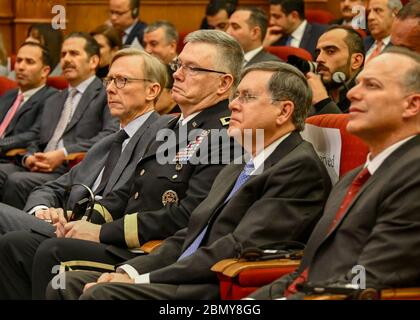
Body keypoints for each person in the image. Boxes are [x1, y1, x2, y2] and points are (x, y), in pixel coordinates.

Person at [45, 60, 332, 300]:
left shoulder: (297, 168)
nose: (233, 104)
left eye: (246, 97)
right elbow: (192, 232)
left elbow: (237, 248)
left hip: (214, 287)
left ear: (284, 111)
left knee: (100, 294)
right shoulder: (241, 162)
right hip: (183, 273)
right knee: (69, 284)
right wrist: (130, 272)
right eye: (236, 96)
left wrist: (143, 279)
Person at [0, 30, 241, 299]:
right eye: (178, 65)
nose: (177, 74)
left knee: (52, 251)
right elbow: (129, 191)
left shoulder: (223, 135)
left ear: (223, 84)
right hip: (128, 238)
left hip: (151, 249)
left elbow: (189, 214)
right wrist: (82, 221)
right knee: (15, 245)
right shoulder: (173, 126)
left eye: (192, 68)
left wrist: (103, 232)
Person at [248, 47, 420, 300]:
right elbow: (307, 273)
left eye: (371, 85)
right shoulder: (351, 179)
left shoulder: (413, 174)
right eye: (357, 82)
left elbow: (365, 280)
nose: (352, 93)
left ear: (412, 104)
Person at [0, 32, 118, 209]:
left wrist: (62, 154)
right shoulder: (55, 98)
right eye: (63, 54)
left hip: (71, 169)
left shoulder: (106, 94)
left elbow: (110, 135)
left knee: (17, 180)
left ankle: (16, 231)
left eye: (74, 54)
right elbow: (37, 138)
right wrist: (29, 158)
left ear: (93, 61)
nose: (67, 59)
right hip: (38, 165)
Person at [0, 42, 57, 157]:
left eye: (29, 62)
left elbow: (35, 134)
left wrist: (1, 144)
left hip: (14, 159)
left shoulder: (52, 98)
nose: (21, 67)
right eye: (19, 61)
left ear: (45, 71)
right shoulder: (9, 95)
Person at [308, 26, 365, 115]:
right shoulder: (313, 89)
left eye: (330, 51)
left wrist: (322, 101)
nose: (319, 59)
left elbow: (349, 128)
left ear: (355, 61)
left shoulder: (370, 94)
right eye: (318, 52)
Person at [143, 20, 180, 114]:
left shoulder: (185, 73)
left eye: (153, 44)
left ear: (172, 46)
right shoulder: (146, 68)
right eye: (145, 44)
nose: (147, 50)